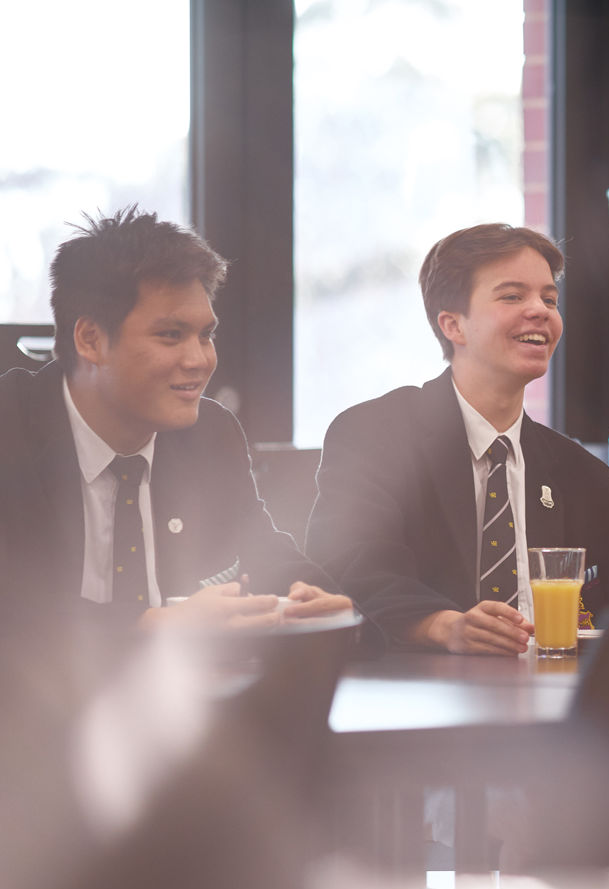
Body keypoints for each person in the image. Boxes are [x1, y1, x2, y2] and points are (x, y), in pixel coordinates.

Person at [305, 223, 609, 655]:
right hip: (418, 692)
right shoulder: (374, 435)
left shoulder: (586, 477)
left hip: (559, 697)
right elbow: (350, 564)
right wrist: (440, 624)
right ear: (453, 325)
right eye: (512, 296)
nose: (540, 310)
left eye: (549, 299)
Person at [0, 207, 349, 632]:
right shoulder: (11, 427)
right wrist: (151, 626)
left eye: (206, 335)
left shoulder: (210, 433)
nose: (199, 360)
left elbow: (260, 546)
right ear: (90, 340)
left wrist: (313, 596)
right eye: (171, 335)